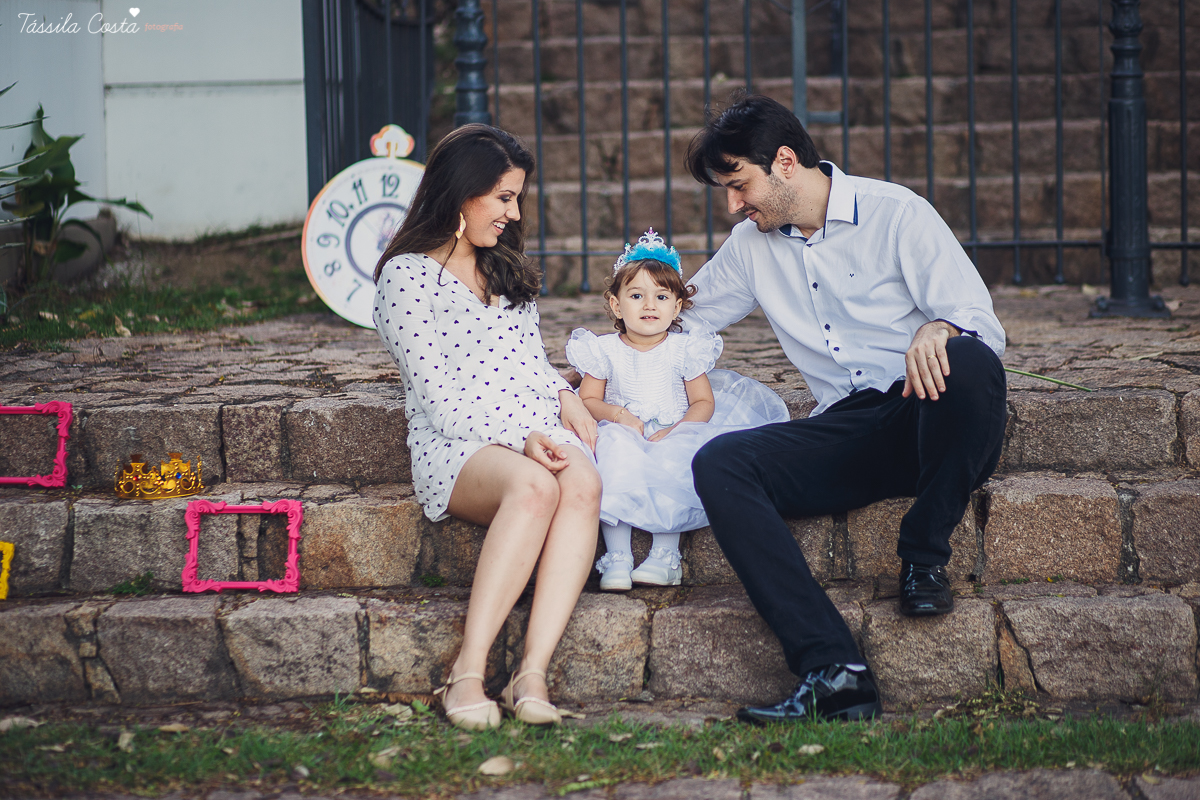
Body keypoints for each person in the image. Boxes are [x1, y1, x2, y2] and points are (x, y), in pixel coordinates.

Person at [683, 95, 1008, 724]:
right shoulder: (752, 244)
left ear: (783, 161)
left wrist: (937, 329)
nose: (733, 205)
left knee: (967, 359)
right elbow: (676, 316)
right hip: (849, 430)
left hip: (930, 413)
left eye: (738, 184)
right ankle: (834, 671)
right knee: (722, 463)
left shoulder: (897, 214)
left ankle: (923, 551)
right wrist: (586, 372)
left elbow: (980, 324)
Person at [372, 124, 601, 730]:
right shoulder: (405, 278)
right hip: (458, 442)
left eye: (517, 198)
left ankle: (532, 674)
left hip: (532, 421)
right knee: (535, 488)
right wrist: (519, 438)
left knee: (582, 484)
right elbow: (440, 399)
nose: (513, 212)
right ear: (460, 193)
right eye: (503, 197)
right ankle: (466, 675)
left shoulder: (505, 271)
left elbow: (530, 359)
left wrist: (564, 397)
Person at [565, 230, 789, 591]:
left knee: (680, 464)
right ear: (616, 304)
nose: (649, 305)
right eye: (636, 296)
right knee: (611, 459)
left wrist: (680, 430)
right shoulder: (603, 350)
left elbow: (703, 402)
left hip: (674, 427)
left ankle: (665, 557)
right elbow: (588, 400)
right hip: (625, 429)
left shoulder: (686, 349)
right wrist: (619, 416)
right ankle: (618, 556)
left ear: (678, 305)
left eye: (661, 296)